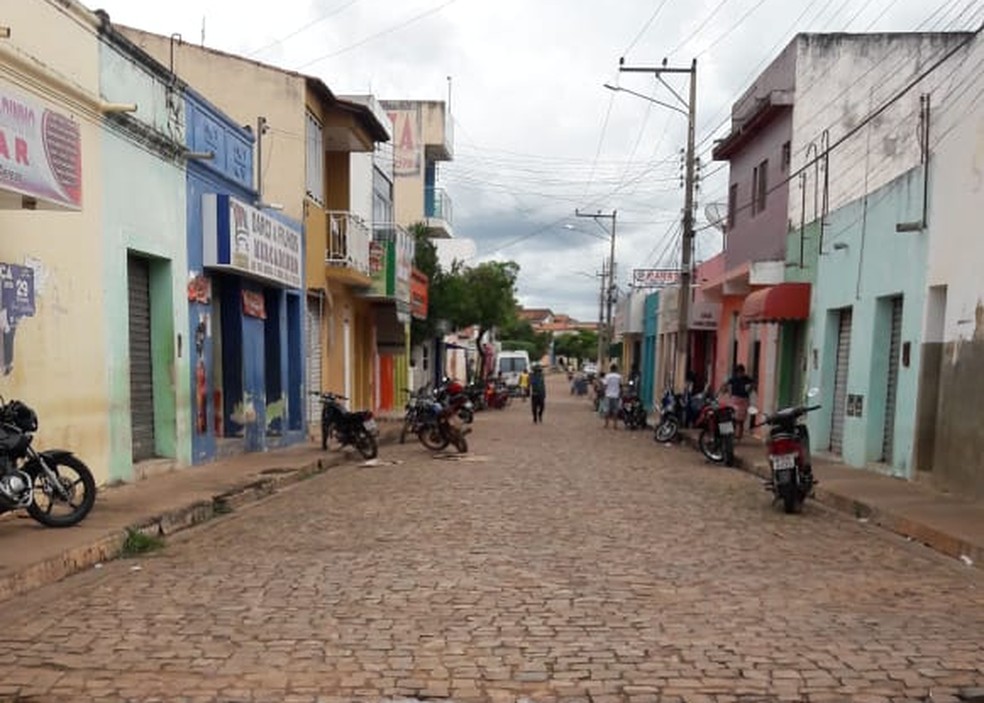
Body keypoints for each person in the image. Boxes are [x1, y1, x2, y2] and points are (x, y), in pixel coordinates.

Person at [720, 363, 755, 439]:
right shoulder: (733, 379)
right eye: (738, 372)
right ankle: (732, 434)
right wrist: (724, 390)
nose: (740, 374)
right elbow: (725, 384)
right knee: (733, 418)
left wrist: (749, 390)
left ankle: (739, 435)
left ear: (743, 371)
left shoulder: (746, 378)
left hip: (744, 400)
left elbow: (753, 383)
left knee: (741, 420)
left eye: (741, 372)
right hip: (735, 399)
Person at [602, 362, 623, 430]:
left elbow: (605, 385)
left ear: (610, 369)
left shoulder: (607, 376)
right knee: (615, 411)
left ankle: (606, 424)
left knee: (607, 410)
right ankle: (615, 425)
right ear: (616, 369)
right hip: (616, 395)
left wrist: (603, 392)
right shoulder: (619, 376)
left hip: (608, 394)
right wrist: (620, 393)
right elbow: (620, 386)